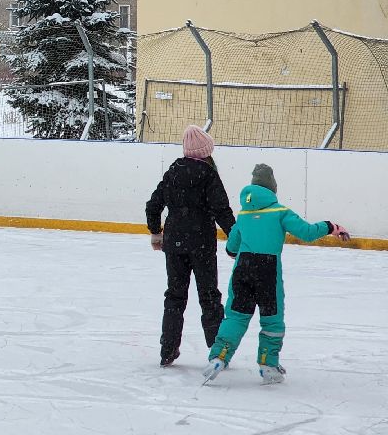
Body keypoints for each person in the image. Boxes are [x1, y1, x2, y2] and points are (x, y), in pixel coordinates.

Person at [203, 163, 350, 383]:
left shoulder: (243, 215)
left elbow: (231, 248)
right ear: (272, 189)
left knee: (236, 316)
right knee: (272, 319)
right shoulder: (280, 212)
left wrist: (243, 249)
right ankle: (267, 363)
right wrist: (330, 226)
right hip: (267, 271)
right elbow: (307, 232)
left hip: (243, 269)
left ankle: (219, 357)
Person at [145, 125, 235, 366]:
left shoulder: (173, 172)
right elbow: (222, 210)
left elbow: (153, 205)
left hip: (174, 244)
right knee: (209, 297)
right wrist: (235, 239)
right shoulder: (208, 174)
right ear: (206, 151)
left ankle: (168, 350)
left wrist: (156, 234)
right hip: (202, 245)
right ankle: (217, 351)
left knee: (174, 296)